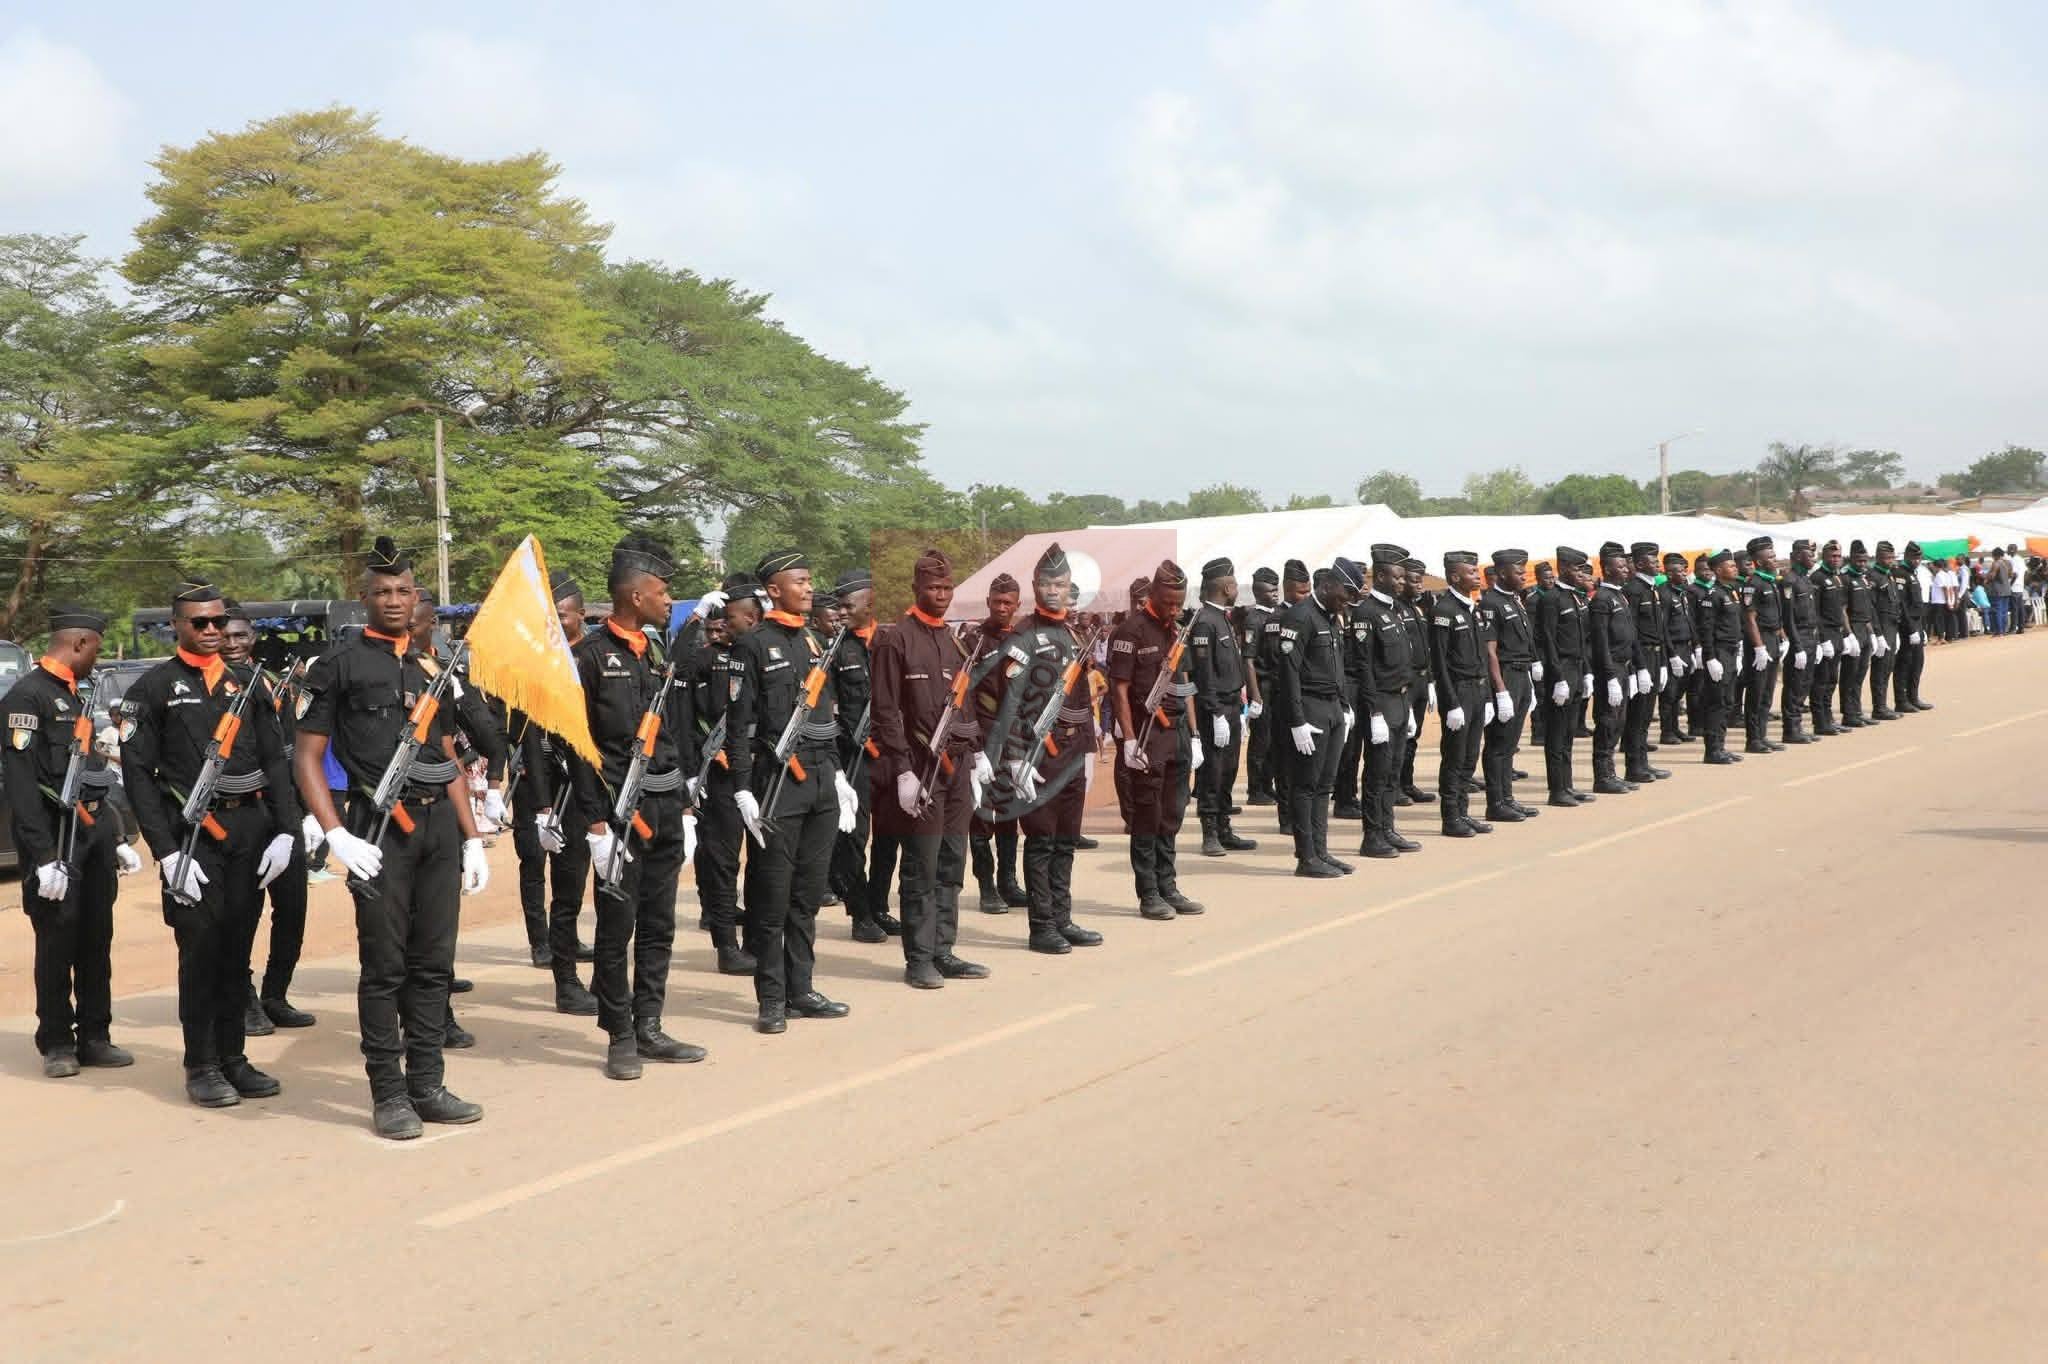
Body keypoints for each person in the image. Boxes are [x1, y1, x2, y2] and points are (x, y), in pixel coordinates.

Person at [293, 537, 490, 1140]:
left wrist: (472, 836)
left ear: (416, 596)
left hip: (436, 827)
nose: (395, 600)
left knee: (434, 963)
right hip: (377, 831)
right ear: (365, 599)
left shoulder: (431, 667)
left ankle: (428, 1084)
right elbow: (306, 757)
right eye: (382, 592)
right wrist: (335, 834)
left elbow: (447, 756)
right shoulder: (339, 665)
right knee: (385, 967)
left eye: (404, 591)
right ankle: (389, 1093)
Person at [120, 581, 300, 1108]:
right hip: (191, 837)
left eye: (218, 622)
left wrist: (286, 829)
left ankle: (234, 1058)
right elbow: (138, 778)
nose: (211, 631)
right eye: (199, 622)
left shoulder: (249, 685)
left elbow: (277, 762)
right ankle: (201, 1064)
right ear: (176, 625)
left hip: (250, 833)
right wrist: (167, 852)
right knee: (200, 952)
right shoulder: (152, 689)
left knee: (238, 949)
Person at [570, 535, 705, 1080]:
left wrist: (687, 807)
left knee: (659, 923)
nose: (668, 599)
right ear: (633, 596)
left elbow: (670, 736)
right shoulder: (590, 658)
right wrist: (596, 824)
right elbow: (577, 748)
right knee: (616, 925)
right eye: (661, 590)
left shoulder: (653, 653)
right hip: (619, 810)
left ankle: (649, 1023)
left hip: (665, 802)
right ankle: (619, 1033)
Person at [728, 547, 860, 1027]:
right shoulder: (753, 644)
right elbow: (738, 725)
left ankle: (801, 987)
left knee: (807, 895)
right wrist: (743, 788)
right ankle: (771, 997)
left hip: (821, 781)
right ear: (774, 590)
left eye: (809, 581)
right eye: (799, 581)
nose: (808, 588)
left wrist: (840, 776)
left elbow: (825, 717)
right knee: (772, 897)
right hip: (778, 785)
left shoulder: (810, 642)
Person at [5, 605, 135, 1079]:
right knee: (57, 942)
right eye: (96, 648)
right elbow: (21, 786)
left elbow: (90, 776)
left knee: (97, 939)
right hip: (56, 845)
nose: (98, 657)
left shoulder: (75, 694)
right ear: (78, 644)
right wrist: (41, 858)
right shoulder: (27, 697)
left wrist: (114, 835)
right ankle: (58, 1041)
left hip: (92, 838)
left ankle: (95, 1035)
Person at [870, 547, 992, 986]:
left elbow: (967, 702)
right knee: (920, 866)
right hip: (920, 770)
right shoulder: (894, 639)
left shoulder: (954, 640)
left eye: (946, 587)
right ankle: (918, 958)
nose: (941, 594)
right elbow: (885, 710)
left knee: (951, 861)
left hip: (956, 768)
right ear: (916, 589)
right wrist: (901, 768)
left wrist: (976, 754)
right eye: (933, 588)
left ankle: (944, 949)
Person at [993, 542, 1105, 953]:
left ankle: (1062, 917)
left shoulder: (1071, 631)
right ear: (1035, 586)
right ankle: (1042, 927)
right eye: (1046, 583)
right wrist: (1017, 757)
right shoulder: (1024, 635)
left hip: (1073, 753)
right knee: (1040, 841)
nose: (1053, 590)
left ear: (1069, 586)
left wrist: (1088, 751)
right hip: (1038, 758)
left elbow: (1080, 698)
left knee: (1065, 841)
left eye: (1060, 583)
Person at [219, 604, 319, 1032]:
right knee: (243, 912)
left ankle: (276, 994)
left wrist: (308, 814)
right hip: (240, 813)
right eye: (226, 636)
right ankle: (241, 998)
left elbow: (297, 749)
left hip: (285, 812)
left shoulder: (277, 686)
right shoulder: (210, 688)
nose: (233, 644)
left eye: (241, 636)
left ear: (253, 639)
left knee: (292, 907)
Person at [503, 571, 597, 980]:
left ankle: (568, 936)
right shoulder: (533, 666)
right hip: (536, 778)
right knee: (533, 862)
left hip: (577, 781)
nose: (559, 624)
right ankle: (540, 941)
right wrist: (540, 800)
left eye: (565, 616)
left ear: (582, 615)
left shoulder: (591, 657)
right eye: (552, 618)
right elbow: (520, 733)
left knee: (574, 865)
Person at [1109, 558, 1211, 910]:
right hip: (1147, 735)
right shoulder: (1129, 632)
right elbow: (1119, 688)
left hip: (1178, 734)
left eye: (1179, 602)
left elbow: (1184, 683)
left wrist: (1195, 734)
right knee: (1147, 815)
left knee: (1173, 813)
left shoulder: (1176, 630)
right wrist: (1129, 739)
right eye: (1168, 602)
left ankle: (1169, 886)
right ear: (1152, 594)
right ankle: (1148, 892)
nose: (1174, 608)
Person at [690, 574, 765, 973]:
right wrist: (697, 613)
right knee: (722, 860)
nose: (725, 629)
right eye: (717, 623)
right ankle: (726, 945)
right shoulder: (709, 657)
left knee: (764, 859)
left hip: (763, 766)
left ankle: (758, 936)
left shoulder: (763, 651)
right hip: (720, 766)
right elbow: (676, 666)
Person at [825, 567, 896, 943]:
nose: (840, 611)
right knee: (854, 838)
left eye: (847, 604)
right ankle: (860, 912)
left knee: (891, 836)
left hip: (893, 757)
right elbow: (827, 711)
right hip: (854, 759)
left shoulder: (893, 642)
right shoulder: (836, 651)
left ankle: (880, 905)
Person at [1275, 561, 1356, 876]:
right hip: (1309, 709)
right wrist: (1297, 721)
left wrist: (1345, 707)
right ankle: (1306, 857)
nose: (1347, 600)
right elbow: (1289, 671)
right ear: (1329, 585)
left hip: (1332, 708)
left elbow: (1337, 667)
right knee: (1306, 785)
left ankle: (1321, 851)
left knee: (1325, 785)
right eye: (1345, 592)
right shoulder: (1300, 616)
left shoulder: (1331, 617)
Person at [1349, 546, 1422, 857]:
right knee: (1377, 771)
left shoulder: (1395, 610)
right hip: (1379, 702)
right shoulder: (1366, 614)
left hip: (1400, 700)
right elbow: (1363, 667)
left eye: (1404, 577)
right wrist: (1374, 711)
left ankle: (1388, 828)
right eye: (1397, 576)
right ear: (1380, 576)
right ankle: (1372, 836)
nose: (1402, 582)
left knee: (1393, 769)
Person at [960, 575, 1027, 914]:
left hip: (1014, 739)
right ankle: (987, 887)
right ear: (988, 601)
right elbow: (963, 695)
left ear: (1018, 605)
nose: (1002, 607)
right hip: (983, 737)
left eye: (1008, 603)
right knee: (981, 815)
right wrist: (974, 748)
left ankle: (1009, 882)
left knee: (1009, 813)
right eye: (997, 601)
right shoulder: (973, 641)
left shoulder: (1023, 641)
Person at [1188, 557, 1259, 857]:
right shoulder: (1205, 620)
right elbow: (1204, 674)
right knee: (1212, 772)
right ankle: (1210, 833)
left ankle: (1225, 827)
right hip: (1215, 708)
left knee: (1228, 769)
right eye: (1234, 584)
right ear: (1227, 586)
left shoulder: (1223, 619)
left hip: (1231, 706)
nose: (1236, 589)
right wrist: (1216, 711)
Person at [1430, 552, 1493, 836]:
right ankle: (1451, 817)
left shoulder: (1473, 608)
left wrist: (1490, 697)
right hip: (1459, 691)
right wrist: (1451, 702)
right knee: (1454, 757)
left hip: (1479, 690)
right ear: (1455, 577)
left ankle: (1464, 813)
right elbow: (1440, 662)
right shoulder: (1444, 610)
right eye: (1471, 572)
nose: (1476, 575)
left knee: (1470, 755)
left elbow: (1482, 654)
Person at [1480, 549, 1540, 824]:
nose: (1523, 576)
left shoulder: (1514, 601)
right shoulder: (1490, 603)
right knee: (1498, 743)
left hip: (1520, 675)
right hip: (1504, 676)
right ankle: (1496, 802)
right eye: (1518, 572)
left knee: (1510, 743)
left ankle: (1508, 798)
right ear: (1502, 573)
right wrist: (1501, 690)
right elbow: (1490, 651)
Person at [1534, 550, 1593, 806]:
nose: (1582, 574)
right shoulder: (1552, 599)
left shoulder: (1575, 598)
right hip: (1561, 670)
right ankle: (1556, 790)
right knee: (1557, 733)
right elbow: (1547, 640)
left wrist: (1587, 672)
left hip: (1577, 668)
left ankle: (1567, 785)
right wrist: (1557, 678)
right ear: (1565, 568)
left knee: (1569, 731)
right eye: (1578, 569)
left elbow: (1582, 640)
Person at [1588, 543, 1642, 794]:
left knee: (1619, 721)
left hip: (1624, 668)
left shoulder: (1620, 595)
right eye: (1619, 566)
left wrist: (1636, 668)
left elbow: (1630, 635)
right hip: (1610, 670)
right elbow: (1600, 641)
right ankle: (1603, 776)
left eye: (1625, 565)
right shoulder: (1601, 599)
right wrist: (1609, 675)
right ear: (1606, 569)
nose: (1625, 570)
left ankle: (1612, 772)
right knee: (1607, 722)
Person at [1262, 560, 1310, 834]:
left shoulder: (1311, 615)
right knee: (1284, 760)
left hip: (1308, 698)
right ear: (1288, 589)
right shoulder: (1276, 619)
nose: (1305, 596)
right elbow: (1275, 661)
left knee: (1304, 760)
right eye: (1300, 592)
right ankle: (1286, 817)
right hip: (1282, 698)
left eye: (1308, 590)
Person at [1619, 542, 1668, 784]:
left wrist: (1664, 662)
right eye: (1653, 560)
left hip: (1655, 655)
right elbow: (1633, 632)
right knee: (1637, 715)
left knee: (1647, 714)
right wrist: (1640, 667)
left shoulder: (1652, 589)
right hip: (1642, 656)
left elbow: (1659, 628)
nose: (1658, 564)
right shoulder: (1634, 590)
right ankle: (1634, 766)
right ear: (1639, 564)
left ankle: (1643, 762)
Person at [1740, 536, 1788, 755]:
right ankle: (1753, 739)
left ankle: (1763, 735)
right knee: (1756, 692)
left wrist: (1782, 637)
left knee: (1768, 691)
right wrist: (1759, 647)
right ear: (1758, 562)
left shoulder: (1770, 581)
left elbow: (1775, 615)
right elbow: (1750, 619)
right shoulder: (1753, 584)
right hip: (1759, 642)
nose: (1775, 559)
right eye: (1770, 557)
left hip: (1772, 639)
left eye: (1774, 555)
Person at [1696, 550, 1744, 765]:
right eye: (1730, 566)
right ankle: (1712, 750)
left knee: (1727, 700)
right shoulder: (1712, 595)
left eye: (1735, 565)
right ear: (1718, 570)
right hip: (1719, 652)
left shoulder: (1731, 591)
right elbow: (1706, 629)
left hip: (1731, 651)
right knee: (1716, 701)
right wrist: (1710, 657)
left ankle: (1721, 746)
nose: (1735, 568)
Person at [1241, 567, 1281, 805]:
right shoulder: (1253, 619)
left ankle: (1269, 785)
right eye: (1270, 590)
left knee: (1274, 740)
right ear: (1258, 592)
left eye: (1277, 589)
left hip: (1277, 687)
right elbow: (1248, 660)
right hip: (1262, 686)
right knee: (1260, 741)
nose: (1275, 593)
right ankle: (1255, 790)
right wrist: (1255, 696)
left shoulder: (1278, 614)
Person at [1397, 558, 1436, 805]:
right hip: (1407, 681)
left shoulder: (1417, 609)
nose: (1419, 585)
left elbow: (1426, 647)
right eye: (1414, 581)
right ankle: (1395, 786)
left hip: (1422, 680)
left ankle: (1407, 782)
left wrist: (1430, 680)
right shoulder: (1396, 610)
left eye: (1420, 580)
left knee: (1414, 736)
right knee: (1401, 737)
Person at [1658, 551, 1699, 746]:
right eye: (1678, 571)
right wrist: (1672, 654)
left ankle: (1675, 728)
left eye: (1684, 571)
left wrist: (1695, 646)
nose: (1683, 575)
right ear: (1668, 573)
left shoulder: (1682, 592)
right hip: (1672, 648)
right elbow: (1663, 627)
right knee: (1670, 693)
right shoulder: (1664, 594)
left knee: (1680, 691)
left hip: (1686, 647)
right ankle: (1667, 731)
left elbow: (1690, 621)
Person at [1839, 539, 1877, 727]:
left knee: (1860, 674)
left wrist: (1872, 634)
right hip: (1853, 629)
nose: (1862, 564)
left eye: (1865, 561)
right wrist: (1849, 634)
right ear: (1851, 559)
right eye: (1859, 561)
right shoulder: (1845, 579)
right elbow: (1843, 609)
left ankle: (1857, 711)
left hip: (1864, 629)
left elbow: (1866, 609)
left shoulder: (1863, 578)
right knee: (1850, 675)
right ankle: (1848, 714)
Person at [1868, 541, 1904, 721]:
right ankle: (1879, 707)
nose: (1890, 561)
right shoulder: (1873, 576)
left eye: (1892, 557)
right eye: (1887, 558)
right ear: (1878, 558)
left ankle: (1883, 705)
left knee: (1888, 666)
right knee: (1880, 668)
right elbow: (1871, 607)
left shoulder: (1889, 575)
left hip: (1891, 626)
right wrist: (1877, 634)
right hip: (1881, 627)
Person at [1896, 544, 1934, 711]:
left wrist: (1921, 628)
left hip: (1917, 624)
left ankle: (1913, 696)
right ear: (1906, 556)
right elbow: (1902, 605)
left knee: (1917, 662)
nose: (1916, 561)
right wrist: (1911, 628)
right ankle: (1901, 700)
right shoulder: (1900, 574)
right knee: (1904, 664)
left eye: (1918, 558)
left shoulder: (1913, 573)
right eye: (1913, 558)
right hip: (1906, 627)